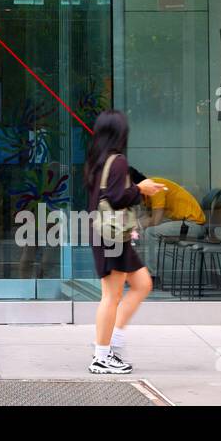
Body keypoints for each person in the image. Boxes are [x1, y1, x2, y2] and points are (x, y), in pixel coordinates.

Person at [85, 110, 162, 375]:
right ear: (120, 133)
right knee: (111, 296)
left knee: (142, 284)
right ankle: (101, 356)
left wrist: (139, 185)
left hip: (113, 234)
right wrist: (142, 189)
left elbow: (107, 196)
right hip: (111, 236)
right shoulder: (116, 161)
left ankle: (112, 342)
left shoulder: (99, 161)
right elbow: (117, 198)